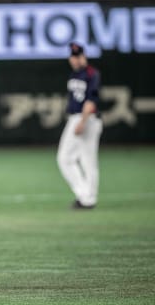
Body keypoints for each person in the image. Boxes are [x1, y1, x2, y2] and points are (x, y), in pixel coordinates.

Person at [57, 43, 103, 209]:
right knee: (65, 159)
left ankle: (88, 198)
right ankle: (85, 195)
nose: (75, 59)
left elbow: (91, 100)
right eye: (73, 56)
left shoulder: (92, 74)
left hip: (87, 118)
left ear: (84, 56)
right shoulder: (74, 74)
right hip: (77, 118)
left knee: (87, 160)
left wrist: (82, 121)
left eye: (78, 56)